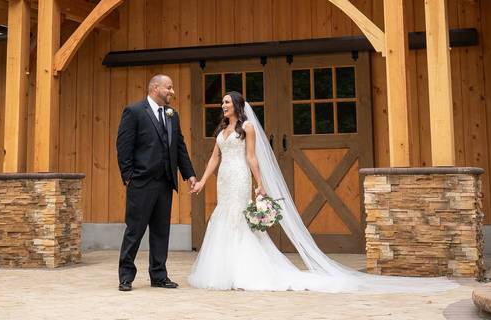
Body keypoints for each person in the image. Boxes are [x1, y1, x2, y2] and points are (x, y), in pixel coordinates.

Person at [188, 91, 456, 293]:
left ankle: (244, 272)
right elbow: (214, 158)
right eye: (222, 102)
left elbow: (252, 158)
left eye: (226, 102)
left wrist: (260, 184)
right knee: (223, 216)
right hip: (224, 178)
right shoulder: (222, 130)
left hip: (239, 177)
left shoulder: (245, 128)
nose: (223, 105)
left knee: (239, 220)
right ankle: (223, 270)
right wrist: (201, 181)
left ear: (237, 105)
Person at [115, 74, 196, 292]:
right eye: (169, 88)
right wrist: (129, 176)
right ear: (155, 88)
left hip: (165, 183)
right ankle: (126, 276)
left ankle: (159, 275)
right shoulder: (134, 112)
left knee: (161, 231)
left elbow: (179, 146)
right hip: (141, 182)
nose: (172, 92)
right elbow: (123, 146)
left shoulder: (172, 115)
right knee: (135, 231)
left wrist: (189, 174)